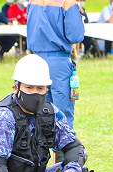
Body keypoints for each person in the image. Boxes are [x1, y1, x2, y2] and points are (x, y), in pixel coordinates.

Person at [27, 0, 84, 129]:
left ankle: (40, 146)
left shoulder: (33, 1)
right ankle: (63, 147)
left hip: (37, 59)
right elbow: (75, 36)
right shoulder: (68, 2)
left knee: (39, 109)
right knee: (62, 112)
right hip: (59, 60)